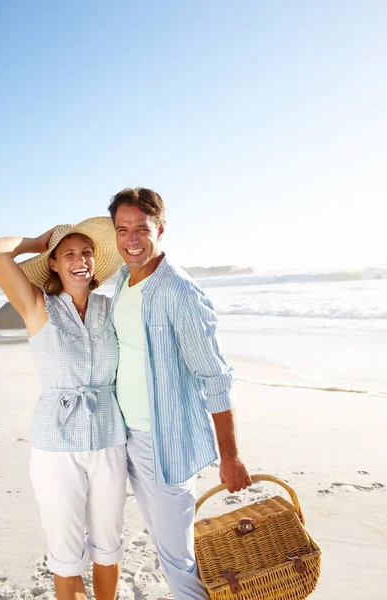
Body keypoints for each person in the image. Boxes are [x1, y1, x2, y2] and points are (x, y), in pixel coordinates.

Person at [108, 187, 252, 600]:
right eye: (123, 230)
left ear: (161, 229)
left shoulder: (179, 292)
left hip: (165, 443)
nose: (132, 239)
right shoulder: (123, 281)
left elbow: (216, 377)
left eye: (142, 229)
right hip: (128, 437)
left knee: (177, 559)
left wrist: (231, 456)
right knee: (164, 545)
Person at [0, 218, 128, 600]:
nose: (80, 259)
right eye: (68, 253)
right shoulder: (37, 306)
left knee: (108, 546)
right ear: (53, 263)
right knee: (67, 555)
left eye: (86, 252)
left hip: (108, 439)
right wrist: (39, 241)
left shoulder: (111, 307)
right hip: (56, 446)